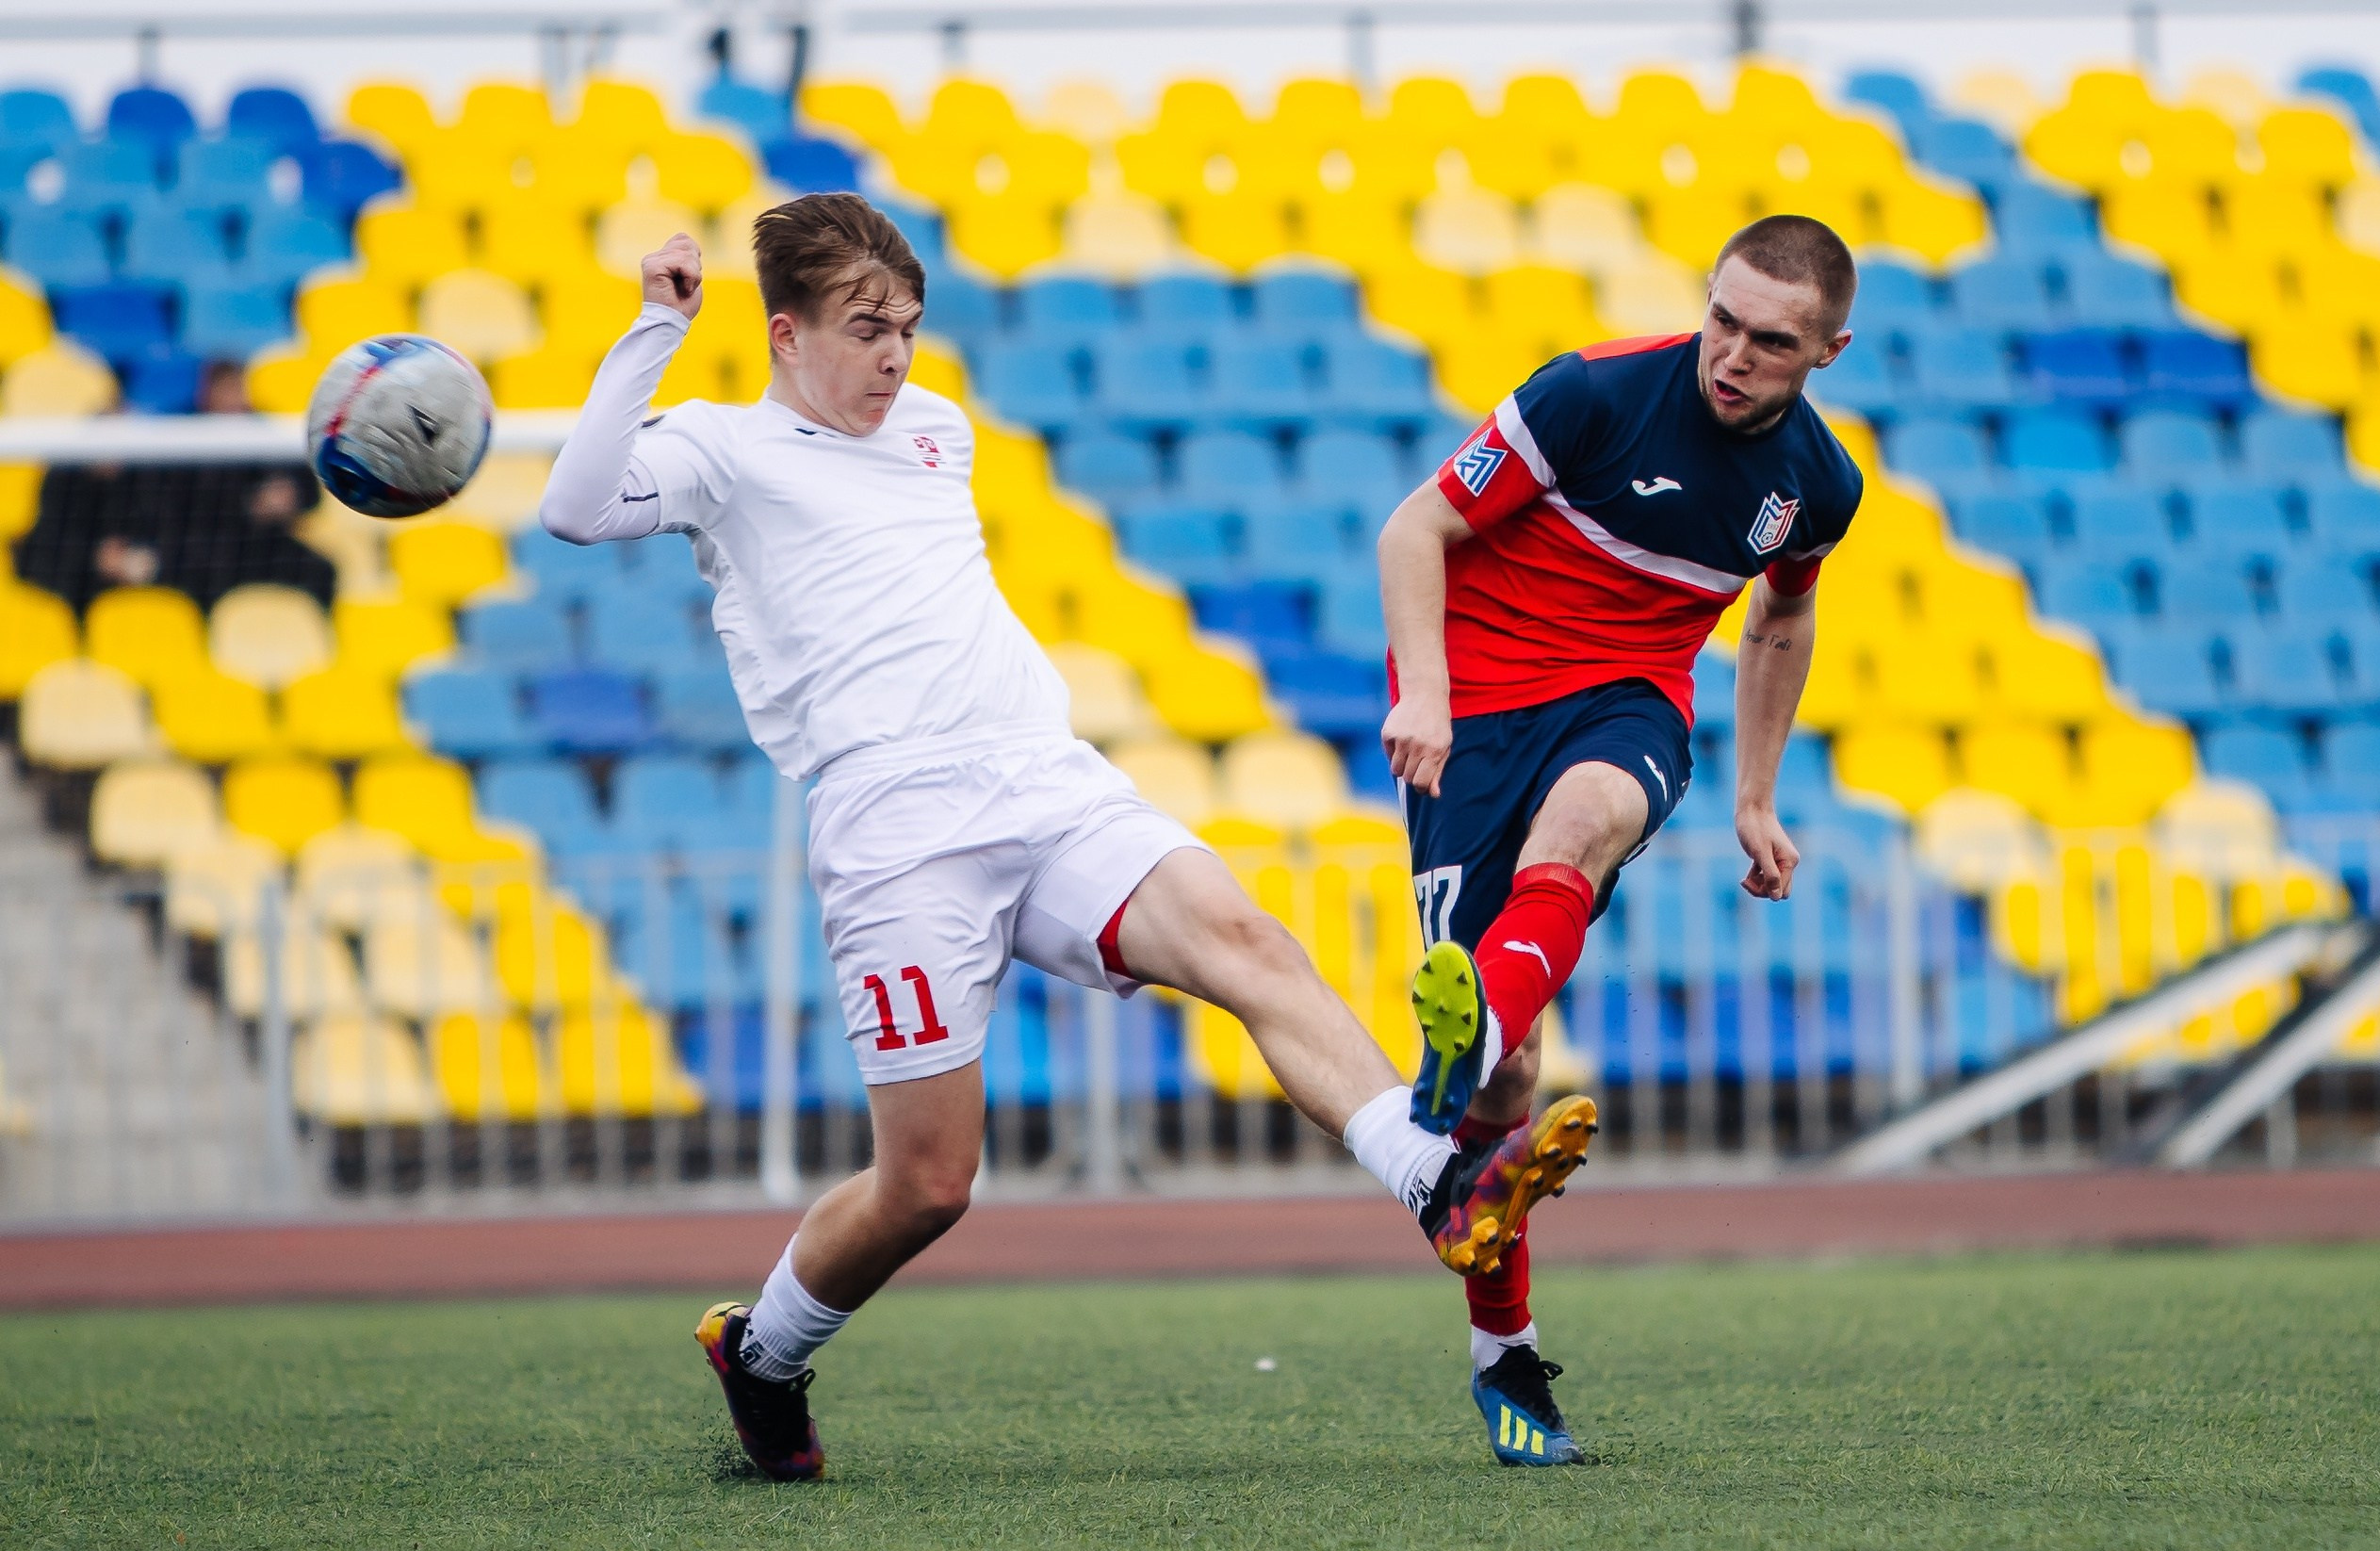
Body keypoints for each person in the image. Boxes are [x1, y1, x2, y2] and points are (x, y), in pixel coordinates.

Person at [537, 193, 1599, 1482]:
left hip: (1040, 776)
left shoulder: (935, 428)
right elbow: (577, 506)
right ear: (784, 332)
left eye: (909, 329)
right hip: (893, 825)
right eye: (867, 329)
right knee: (928, 1183)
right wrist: (655, 325)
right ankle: (761, 1349)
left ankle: (1437, 1184)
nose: (895, 356)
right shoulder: (718, 449)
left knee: (1246, 939)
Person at [1376, 214, 1864, 1466]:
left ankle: (1470, 1020)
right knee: (1509, 1089)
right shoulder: (1589, 393)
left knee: (1589, 821)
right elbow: (1412, 530)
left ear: (1826, 351)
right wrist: (1422, 693)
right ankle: (1506, 1358)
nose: (1733, 354)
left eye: (1771, 340)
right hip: (1475, 709)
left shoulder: (1818, 481)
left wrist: (1755, 795)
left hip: (1626, 698)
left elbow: (1779, 624)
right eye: (1722, 319)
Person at [13, 361, 333, 612]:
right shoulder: (69, 475)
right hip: (84, 579)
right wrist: (98, 557)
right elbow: (46, 542)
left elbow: (307, 490)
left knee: (316, 569)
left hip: (244, 547)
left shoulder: (258, 431)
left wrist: (288, 496)